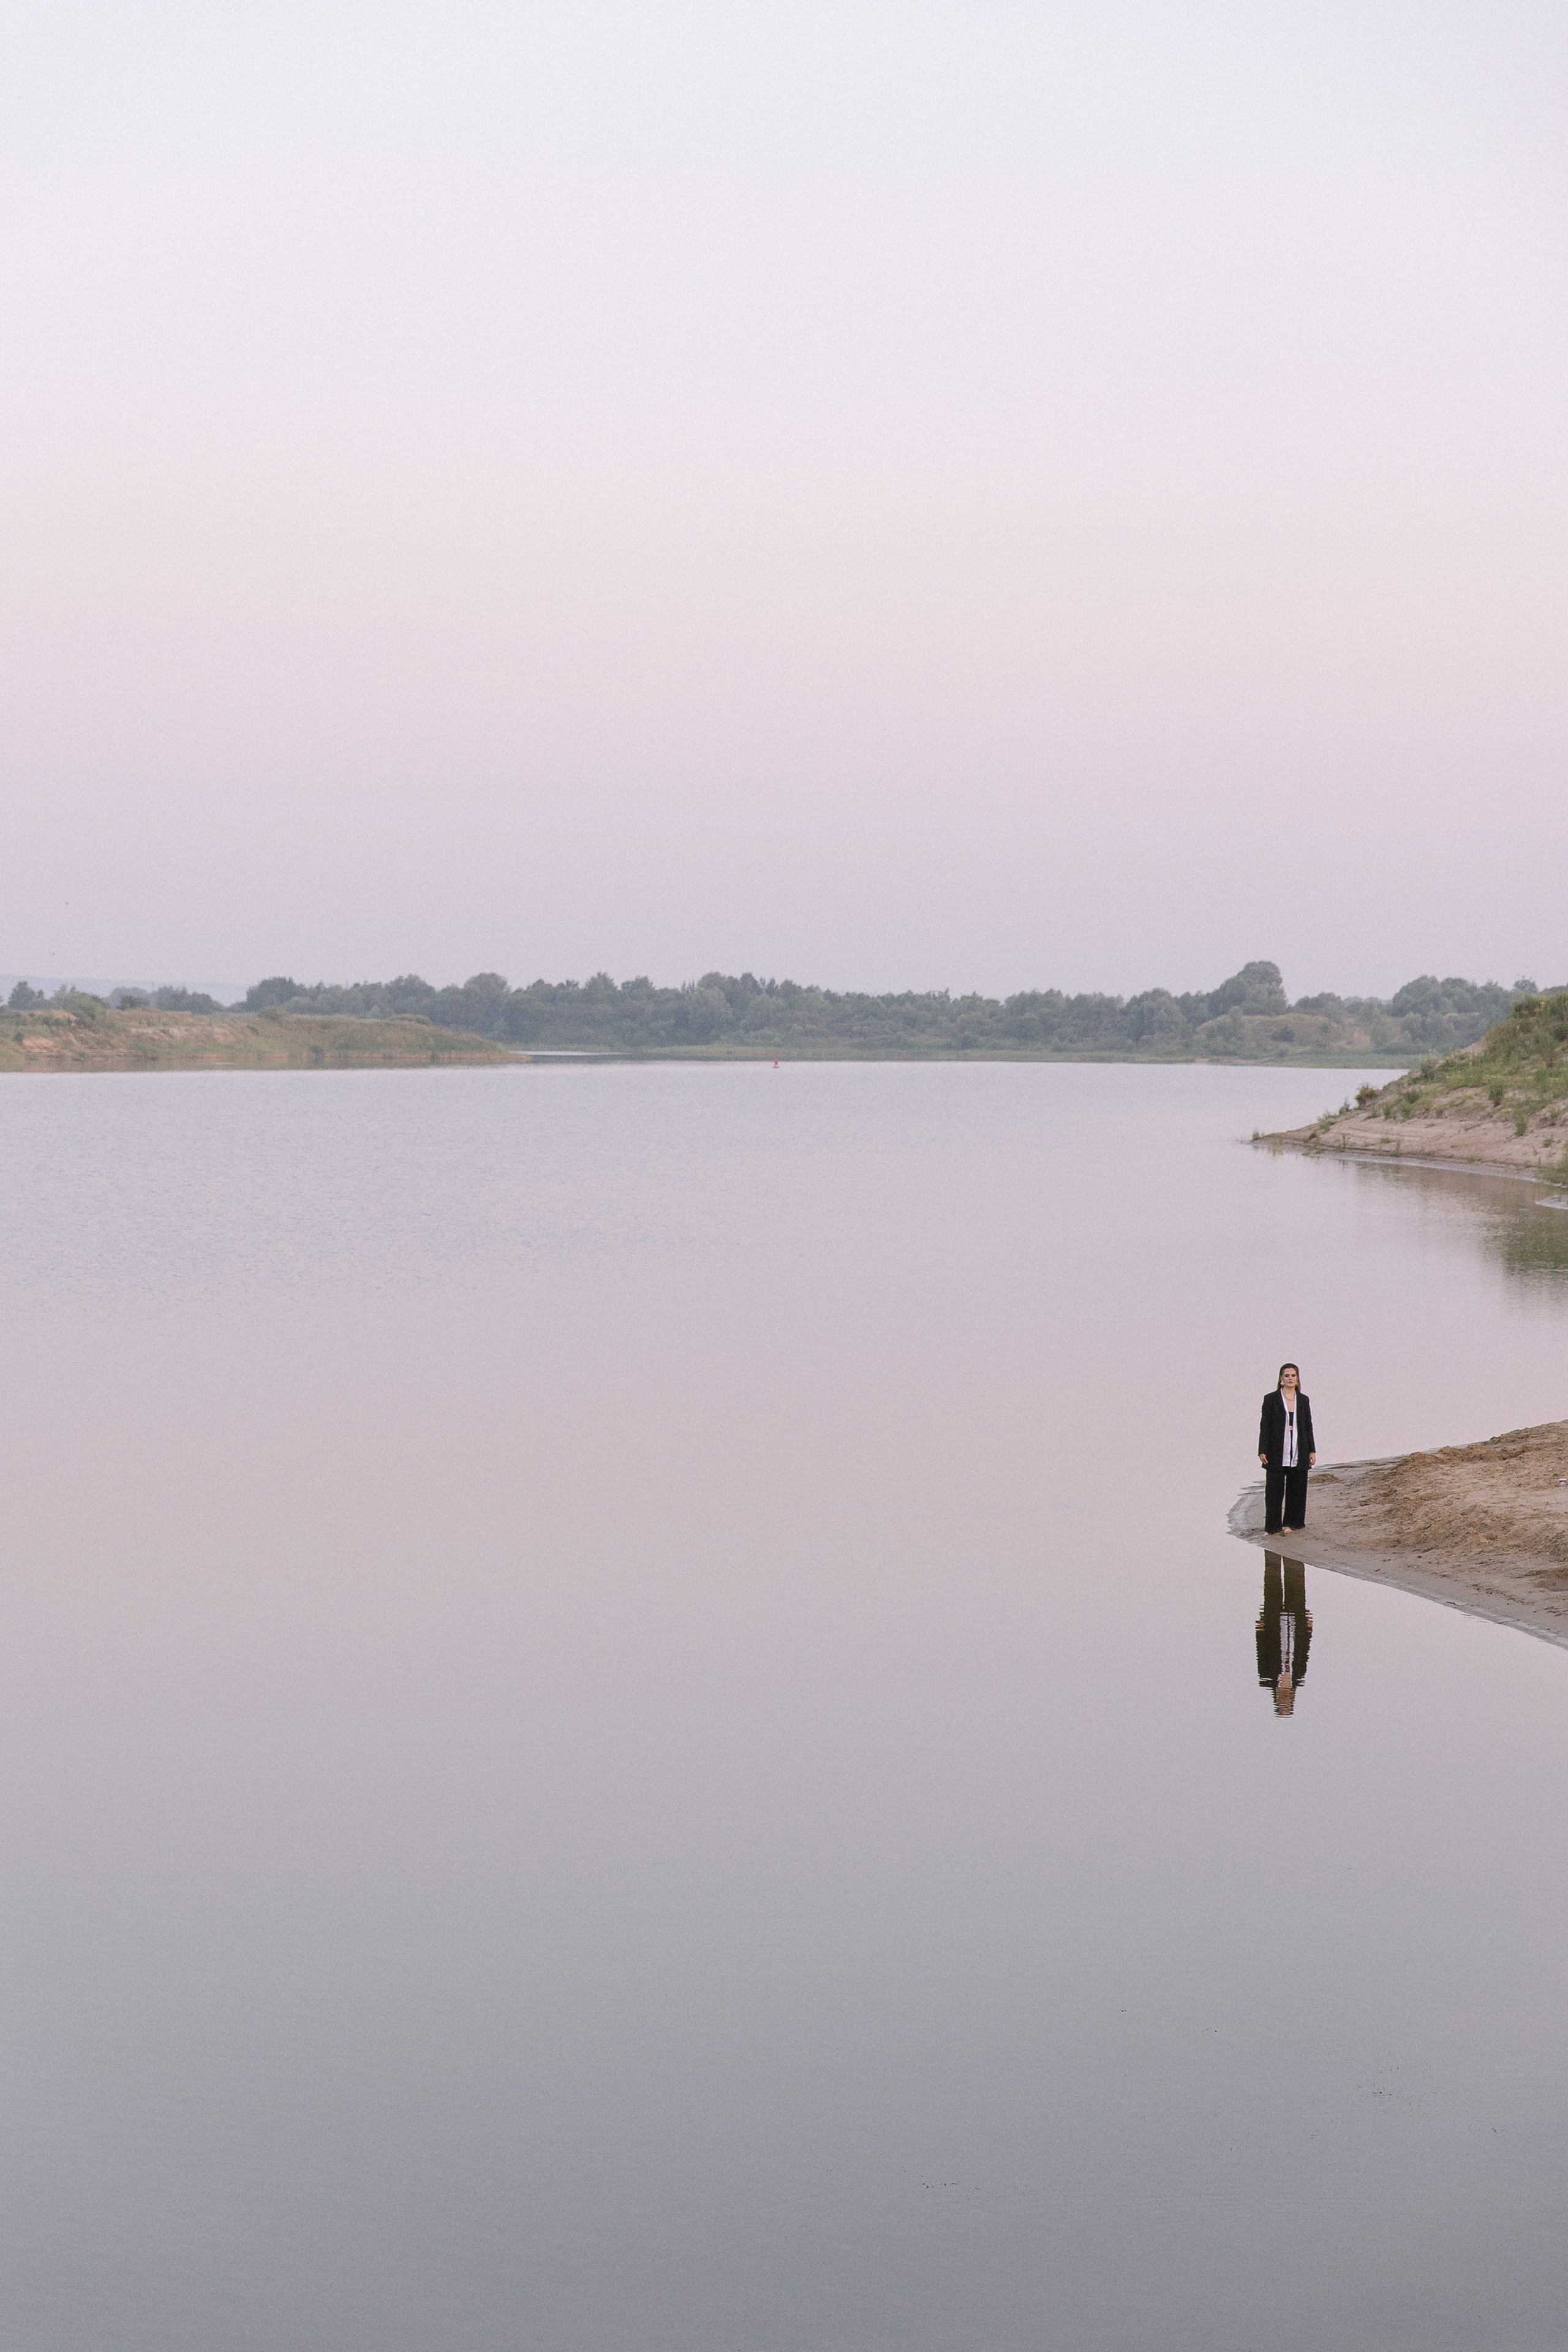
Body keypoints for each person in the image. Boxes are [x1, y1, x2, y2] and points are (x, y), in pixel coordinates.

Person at [1258, 1361, 1315, 1534]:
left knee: (1297, 1489)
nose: (1290, 1379)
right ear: (1281, 1379)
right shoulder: (1271, 1399)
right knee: (1274, 1490)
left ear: (1297, 1379)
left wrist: (1312, 1450)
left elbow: (1308, 1426)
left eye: (1293, 1376)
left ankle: (1293, 1523)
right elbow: (1265, 1426)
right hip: (1276, 1451)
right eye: (1287, 1376)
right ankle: (1273, 1527)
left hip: (1299, 1450)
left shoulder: (1303, 1400)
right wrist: (1262, 1450)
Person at [1256, 1552, 1311, 1716]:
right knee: (1296, 1588)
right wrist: (1308, 1631)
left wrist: (1260, 1631)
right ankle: (1288, 1556)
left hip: (1273, 1627)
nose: (1285, 1699)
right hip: (1294, 1628)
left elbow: (1262, 1653)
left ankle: (1285, 1555)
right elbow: (1303, 1653)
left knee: (1273, 1589)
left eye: (1284, 1703)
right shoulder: (1299, 1676)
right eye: (1286, 1702)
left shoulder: (1267, 1675)